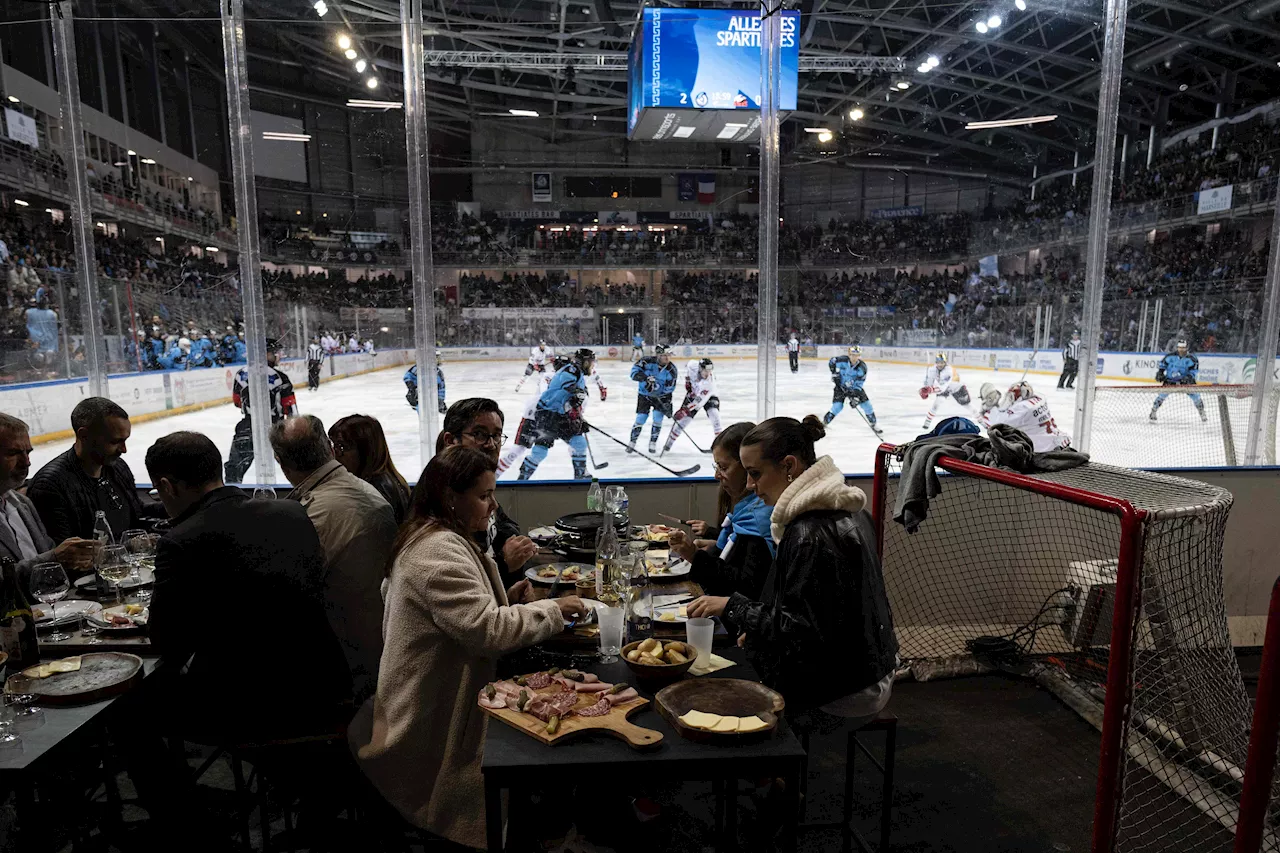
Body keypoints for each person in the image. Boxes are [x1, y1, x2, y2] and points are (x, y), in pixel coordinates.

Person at [349, 446, 585, 848]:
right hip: (431, 716)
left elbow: (466, 617)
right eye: (484, 496)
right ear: (450, 498)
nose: (494, 506)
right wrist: (554, 610)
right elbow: (487, 631)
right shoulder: (434, 550)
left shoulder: (438, 534)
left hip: (444, 691)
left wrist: (506, 598)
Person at [687, 416, 898, 725]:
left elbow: (799, 628)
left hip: (847, 689)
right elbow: (812, 617)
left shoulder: (808, 533)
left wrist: (734, 607)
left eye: (755, 474)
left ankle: (768, 767)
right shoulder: (848, 509)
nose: (750, 486)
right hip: (871, 670)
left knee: (715, 688)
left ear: (788, 466)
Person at [145, 431, 351, 742]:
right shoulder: (291, 511)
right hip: (324, 682)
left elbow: (167, 644)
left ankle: (174, 791)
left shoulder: (179, 541)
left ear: (166, 487)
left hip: (250, 707)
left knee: (135, 707)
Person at [271, 415, 396, 702]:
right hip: (380, 647)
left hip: (344, 667)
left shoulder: (312, 516)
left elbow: (287, 596)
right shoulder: (365, 489)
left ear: (280, 461)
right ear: (328, 447)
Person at [669, 422, 775, 600]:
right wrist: (715, 548)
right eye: (716, 467)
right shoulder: (745, 509)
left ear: (748, 468)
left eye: (723, 467)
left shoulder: (760, 518)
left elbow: (745, 588)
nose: (717, 475)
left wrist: (695, 557)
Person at [28, 397, 157, 543]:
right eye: (114, 441)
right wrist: (131, 546)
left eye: (125, 440)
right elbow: (69, 554)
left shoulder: (118, 466)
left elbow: (137, 512)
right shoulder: (50, 486)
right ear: (84, 436)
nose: (124, 450)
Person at [439, 398, 538, 581]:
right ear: (450, 440)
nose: (491, 444)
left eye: (496, 436)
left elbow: (504, 525)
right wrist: (505, 562)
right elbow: (465, 582)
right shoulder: (446, 496)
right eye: (479, 434)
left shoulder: (478, 482)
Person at [0, 414, 96, 588]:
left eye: (27, 452)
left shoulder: (22, 503)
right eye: (13, 453)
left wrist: (75, 561)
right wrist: (54, 558)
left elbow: (50, 555)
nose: (26, 462)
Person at [224, 338, 297, 483]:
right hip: (276, 426)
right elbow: (290, 409)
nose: (278, 356)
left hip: (248, 426)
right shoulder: (280, 377)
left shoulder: (240, 375)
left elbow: (237, 402)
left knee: (235, 469)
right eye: (274, 352)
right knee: (296, 466)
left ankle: (231, 499)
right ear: (265, 354)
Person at [518, 349, 595, 481]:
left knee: (579, 443)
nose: (593, 365)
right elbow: (565, 384)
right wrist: (576, 393)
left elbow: (570, 399)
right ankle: (521, 480)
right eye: (591, 362)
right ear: (585, 362)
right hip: (547, 415)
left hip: (561, 415)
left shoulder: (577, 372)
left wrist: (576, 414)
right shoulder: (572, 371)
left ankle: (580, 476)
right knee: (540, 451)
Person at [329, 414, 412, 524]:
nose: (335, 454)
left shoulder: (375, 492)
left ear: (365, 452)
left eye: (342, 446)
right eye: (333, 445)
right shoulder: (385, 479)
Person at [980, 381, 1072, 452]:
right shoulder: (1039, 398)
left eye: (1011, 397)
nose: (1009, 400)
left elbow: (996, 423)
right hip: (1059, 441)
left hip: (1046, 449)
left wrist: (989, 408)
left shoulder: (1023, 409)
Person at [659, 357, 722, 455]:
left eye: (710, 370)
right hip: (693, 393)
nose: (708, 373)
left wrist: (684, 410)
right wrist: (688, 380)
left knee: (715, 416)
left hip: (708, 396)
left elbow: (698, 402)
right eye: (706, 370)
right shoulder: (693, 365)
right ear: (700, 368)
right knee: (683, 422)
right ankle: (669, 444)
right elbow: (689, 366)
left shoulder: (709, 384)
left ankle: (720, 447)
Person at [629, 344, 679, 454]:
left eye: (668, 355)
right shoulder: (646, 361)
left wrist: (666, 403)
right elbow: (633, 373)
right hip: (644, 395)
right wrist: (645, 379)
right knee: (641, 418)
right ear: (658, 355)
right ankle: (632, 442)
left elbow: (670, 388)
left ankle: (653, 442)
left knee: (657, 418)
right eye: (664, 355)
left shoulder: (672, 370)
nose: (667, 358)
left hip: (661, 397)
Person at [824, 346, 881, 435]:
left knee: (867, 406)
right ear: (849, 355)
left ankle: (874, 424)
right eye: (853, 355)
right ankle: (824, 424)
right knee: (837, 407)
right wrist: (834, 373)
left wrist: (855, 397)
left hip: (854, 389)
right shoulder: (841, 360)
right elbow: (831, 362)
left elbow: (859, 384)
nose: (854, 357)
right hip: (840, 388)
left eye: (857, 355)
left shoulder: (862, 368)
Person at [1150, 340, 1207, 423]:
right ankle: (1153, 411)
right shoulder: (1170, 356)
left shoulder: (1192, 359)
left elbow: (1194, 371)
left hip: (1186, 382)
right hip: (1170, 381)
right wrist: (1160, 373)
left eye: (1183, 348)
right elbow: (1162, 365)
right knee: (1161, 395)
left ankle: (1202, 412)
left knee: (1196, 396)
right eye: (1179, 347)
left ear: (1186, 348)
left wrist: (1188, 378)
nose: (1181, 350)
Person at [919, 351, 972, 432]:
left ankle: (981, 420)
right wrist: (925, 389)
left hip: (954, 387)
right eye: (938, 363)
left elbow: (943, 387)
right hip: (943, 388)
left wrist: (930, 390)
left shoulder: (948, 370)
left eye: (942, 363)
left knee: (967, 405)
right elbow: (929, 383)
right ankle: (927, 422)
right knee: (936, 405)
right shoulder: (932, 370)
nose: (940, 365)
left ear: (945, 362)